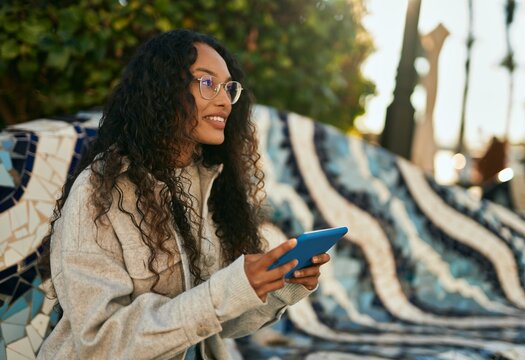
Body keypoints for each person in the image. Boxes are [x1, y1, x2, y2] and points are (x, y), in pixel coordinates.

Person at [37, 29, 330, 359]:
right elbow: (101, 341)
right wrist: (223, 292)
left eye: (229, 88)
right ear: (165, 89)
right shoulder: (100, 190)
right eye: (207, 83)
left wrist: (281, 285)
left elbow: (218, 320)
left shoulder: (205, 184)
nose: (224, 100)